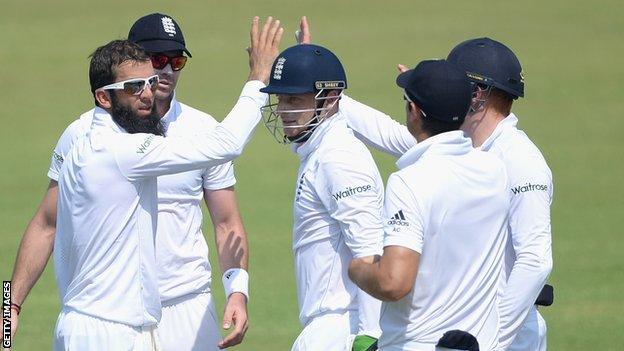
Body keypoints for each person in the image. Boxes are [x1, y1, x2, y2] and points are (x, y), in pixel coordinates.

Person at [8, 16, 283, 350]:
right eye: (138, 83)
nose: (152, 87)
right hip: (107, 326)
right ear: (103, 97)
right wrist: (257, 79)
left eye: (153, 79)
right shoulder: (121, 148)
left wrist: (8, 306)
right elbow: (46, 223)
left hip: (158, 311)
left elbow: (227, 220)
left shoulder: (105, 139)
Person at [340, 38, 553, 351]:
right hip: (459, 337)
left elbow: (535, 261)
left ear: (475, 95)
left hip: (506, 337)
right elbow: (402, 135)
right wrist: (325, 94)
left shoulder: (519, 160)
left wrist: (491, 341)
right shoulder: (469, 148)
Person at [260, 43, 384, 351]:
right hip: (328, 326)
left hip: (343, 327)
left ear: (329, 99)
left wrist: (368, 335)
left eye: (294, 100)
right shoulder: (318, 151)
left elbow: (368, 247)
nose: (284, 110)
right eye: (280, 99)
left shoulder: (338, 157)